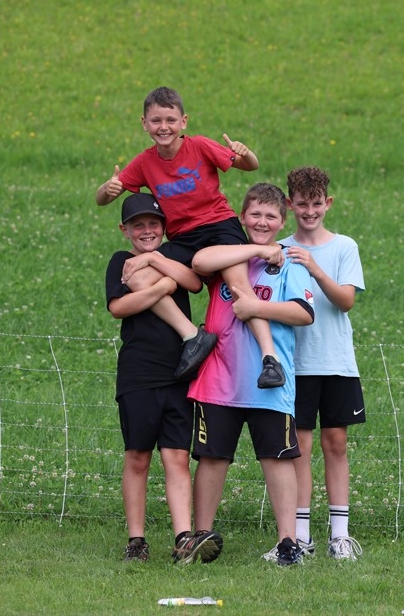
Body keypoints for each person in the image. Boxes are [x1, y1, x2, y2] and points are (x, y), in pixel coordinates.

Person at [96, 86, 285, 388]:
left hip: (219, 226)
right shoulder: (144, 162)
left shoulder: (199, 146)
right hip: (183, 238)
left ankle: (270, 359)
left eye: (171, 120)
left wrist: (245, 153)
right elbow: (101, 199)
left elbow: (250, 166)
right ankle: (193, 336)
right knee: (137, 277)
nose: (164, 127)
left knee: (238, 286)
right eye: (156, 121)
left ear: (183, 121)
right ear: (144, 123)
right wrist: (108, 189)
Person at [183, 183, 315, 567]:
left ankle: (288, 543)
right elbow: (199, 262)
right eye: (255, 214)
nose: (262, 222)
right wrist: (254, 250)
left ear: (282, 222)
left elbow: (303, 313)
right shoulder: (230, 256)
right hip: (218, 381)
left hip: (270, 382)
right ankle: (201, 536)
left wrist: (256, 307)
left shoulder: (289, 262)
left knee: (277, 458)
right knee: (212, 458)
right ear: (242, 217)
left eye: (270, 216)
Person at [104, 192, 221, 564]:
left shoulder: (171, 255)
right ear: (124, 229)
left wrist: (156, 264)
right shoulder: (121, 261)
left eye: (153, 224)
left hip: (180, 371)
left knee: (177, 456)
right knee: (138, 456)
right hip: (138, 374)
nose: (147, 231)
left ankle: (184, 537)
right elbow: (119, 307)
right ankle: (136, 540)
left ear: (165, 227)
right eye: (138, 225)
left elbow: (193, 283)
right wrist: (161, 287)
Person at [279, 165, 366, 561]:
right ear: (289, 204)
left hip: (335, 362)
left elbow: (346, 301)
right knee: (299, 447)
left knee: (336, 443)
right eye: (302, 204)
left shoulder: (344, 247)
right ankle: (300, 537)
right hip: (294, 364)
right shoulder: (279, 249)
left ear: (328, 203)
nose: (309, 212)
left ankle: (339, 535)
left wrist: (313, 267)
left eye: (316, 204)